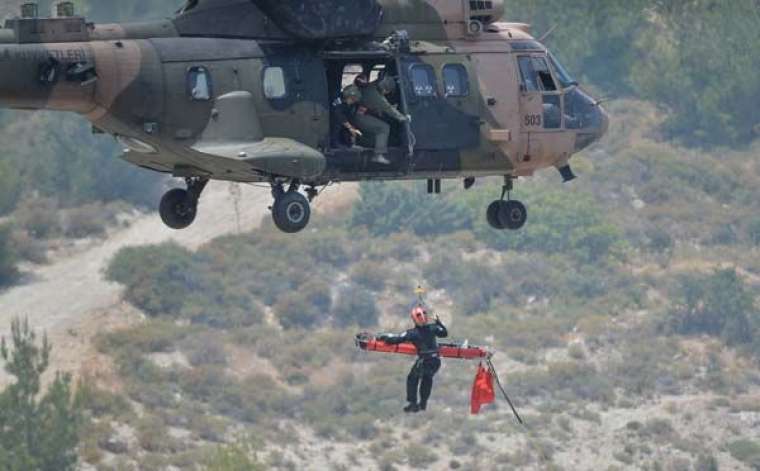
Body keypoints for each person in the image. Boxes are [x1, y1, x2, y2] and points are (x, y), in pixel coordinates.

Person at [380, 306, 448, 413]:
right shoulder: (433, 328)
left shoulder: (412, 333)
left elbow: (396, 339)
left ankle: (413, 403)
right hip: (435, 361)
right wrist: (438, 322)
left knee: (412, 378)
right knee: (427, 379)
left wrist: (384, 338)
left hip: (424, 361)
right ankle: (423, 403)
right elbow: (444, 333)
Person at [355, 76, 410, 165]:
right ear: (384, 88)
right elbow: (386, 107)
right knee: (384, 128)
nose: (386, 93)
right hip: (360, 116)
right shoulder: (373, 93)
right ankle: (378, 155)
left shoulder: (372, 88)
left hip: (362, 115)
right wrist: (402, 117)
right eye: (387, 91)